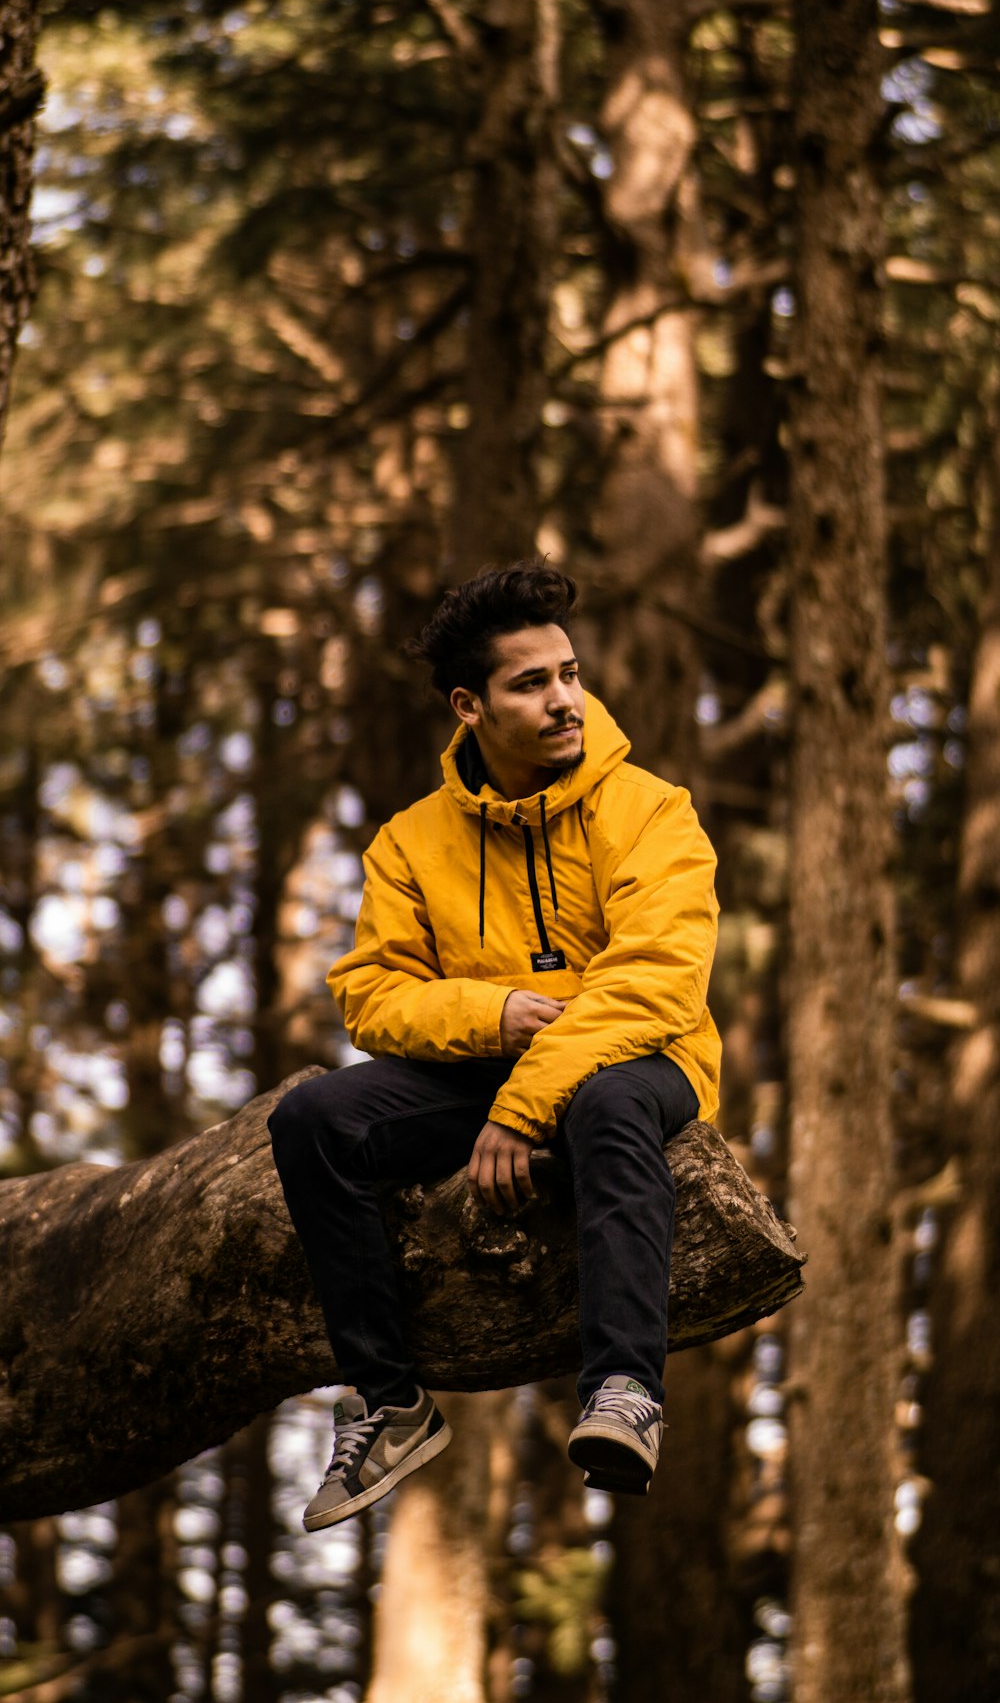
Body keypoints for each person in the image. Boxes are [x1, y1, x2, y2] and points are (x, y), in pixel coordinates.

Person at [268, 561, 721, 1532]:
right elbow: (370, 996)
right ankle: (388, 1403)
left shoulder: (650, 810)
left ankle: (625, 1390)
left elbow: (653, 982)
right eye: (532, 682)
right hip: (488, 1069)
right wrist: (494, 1014)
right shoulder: (408, 842)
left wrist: (523, 1106)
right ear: (468, 706)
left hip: (645, 1063)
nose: (565, 699)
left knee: (604, 1102)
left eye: (568, 672)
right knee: (314, 1116)